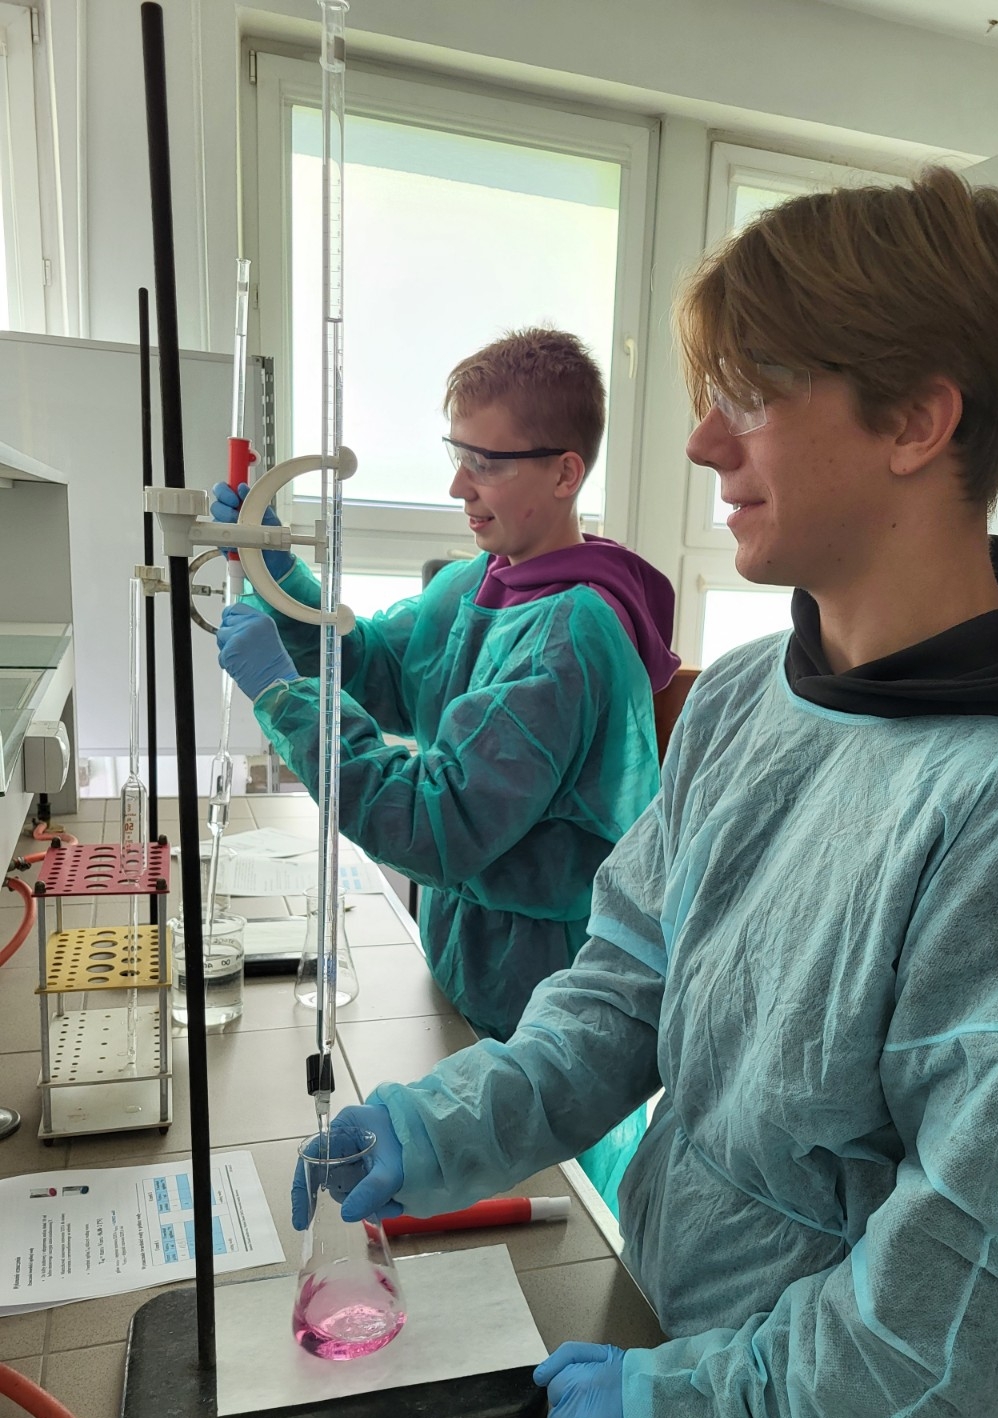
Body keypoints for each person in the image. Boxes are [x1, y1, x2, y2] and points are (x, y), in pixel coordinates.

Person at [297, 171, 998, 1418]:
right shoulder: (750, 702)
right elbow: (624, 988)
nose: (703, 440)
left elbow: (991, 1300)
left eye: (753, 396)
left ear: (917, 420)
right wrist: (446, 1125)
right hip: (681, 1344)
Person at [216, 328, 679, 1209]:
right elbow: (383, 666)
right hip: (469, 962)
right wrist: (282, 582)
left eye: (486, 464)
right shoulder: (480, 585)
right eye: (455, 455)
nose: (458, 487)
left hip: (541, 996)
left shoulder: (570, 633)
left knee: (542, 1218)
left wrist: (285, 698)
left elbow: (439, 824)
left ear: (566, 472)